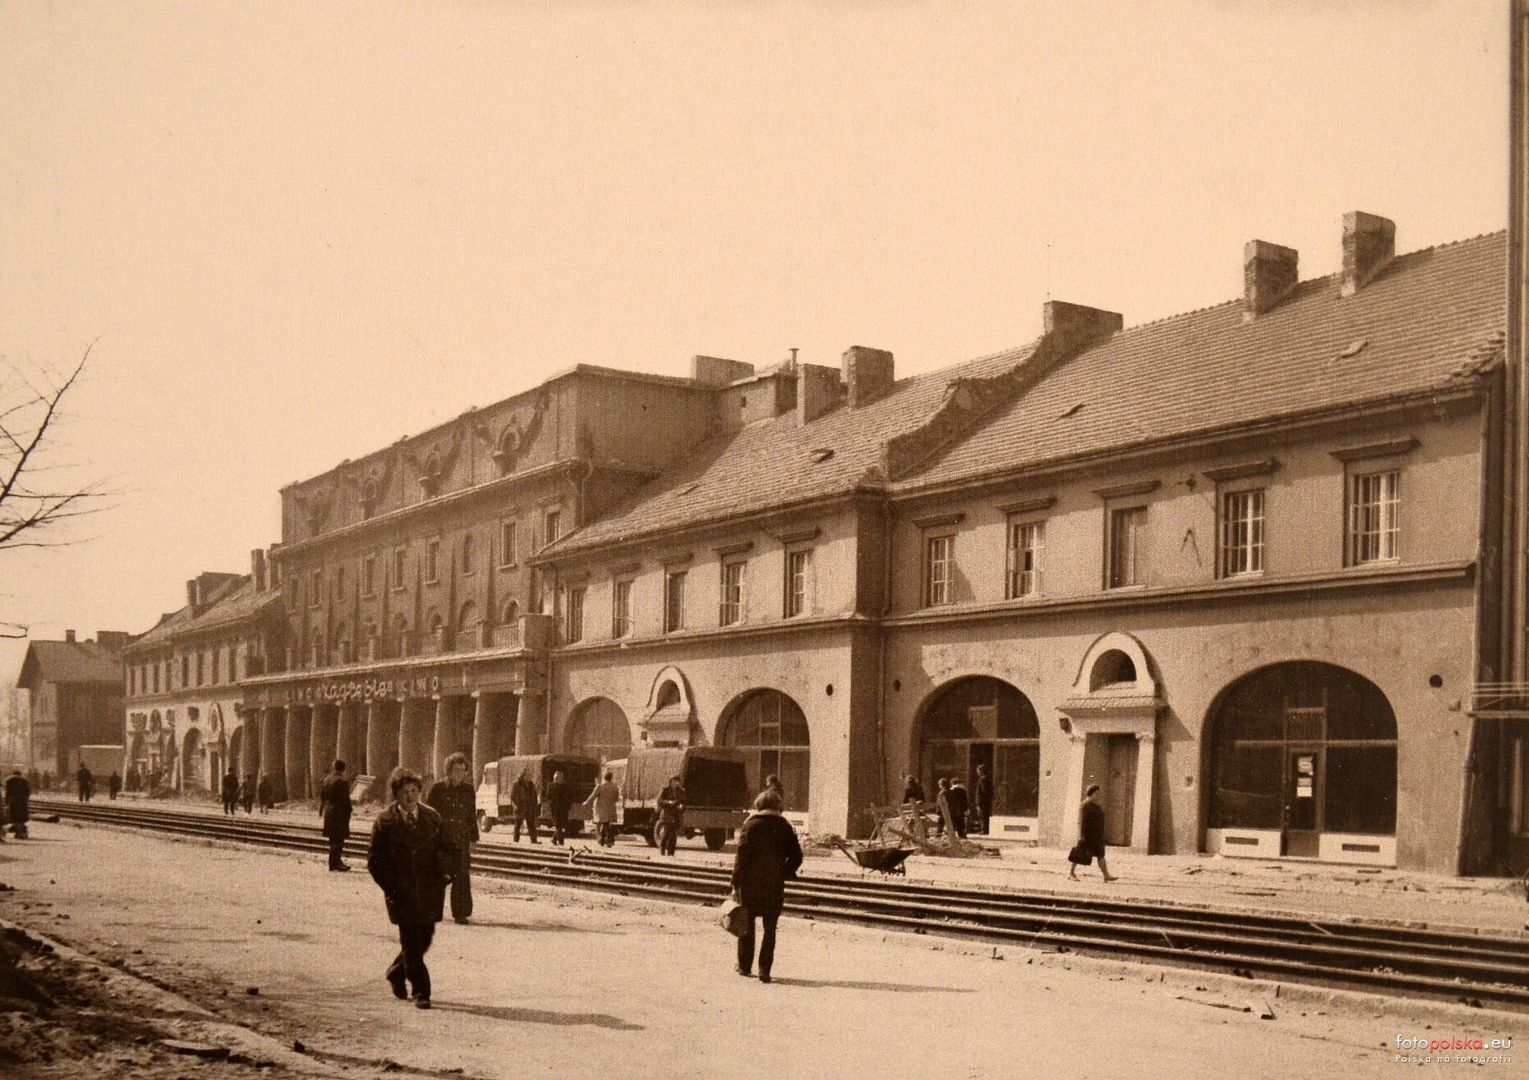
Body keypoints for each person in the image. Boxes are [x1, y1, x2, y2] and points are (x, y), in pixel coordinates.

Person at [367, 766, 455, 1009]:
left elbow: (448, 848)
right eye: (405, 791)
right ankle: (421, 991)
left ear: (419, 792)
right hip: (401, 891)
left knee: (424, 939)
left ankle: (396, 971)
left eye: (414, 790)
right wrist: (391, 887)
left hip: (429, 889)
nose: (410, 796)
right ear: (396, 794)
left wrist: (445, 872)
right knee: (411, 943)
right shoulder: (385, 822)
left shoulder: (433, 818)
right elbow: (374, 861)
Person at [729, 789, 803, 984]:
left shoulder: (751, 825)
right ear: (778, 807)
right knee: (770, 929)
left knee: (747, 926)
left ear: (759, 806)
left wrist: (735, 882)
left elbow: (741, 857)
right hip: (774, 885)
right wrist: (784, 872)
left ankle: (745, 966)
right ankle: (765, 971)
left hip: (750, 884)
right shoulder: (785, 827)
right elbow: (797, 856)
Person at [426, 752, 479, 923]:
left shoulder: (469, 790)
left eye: (463, 770)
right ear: (448, 771)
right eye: (456, 770)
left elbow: (471, 816)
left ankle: (461, 913)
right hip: (442, 840)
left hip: (461, 840)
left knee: (462, 876)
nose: (460, 774)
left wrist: (473, 839)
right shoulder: (438, 789)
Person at [1070, 784, 1117, 882]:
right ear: (1090, 794)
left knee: (1100, 854)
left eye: (1098, 793)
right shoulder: (1085, 805)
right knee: (1079, 854)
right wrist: (1081, 835)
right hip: (1087, 835)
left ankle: (1106, 875)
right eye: (1096, 793)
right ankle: (1071, 873)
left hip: (1096, 835)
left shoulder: (1096, 805)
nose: (1097, 795)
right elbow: (1081, 821)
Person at [319, 760, 353, 871]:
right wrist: (350, 810)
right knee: (339, 839)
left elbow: (322, 797)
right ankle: (335, 864)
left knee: (333, 839)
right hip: (339, 812)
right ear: (343, 769)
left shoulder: (327, 779)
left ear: (334, 768)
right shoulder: (343, 781)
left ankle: (335, 862)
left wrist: (321, 809)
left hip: (328, 811)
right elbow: (345, 799)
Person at [585, 770, 620, 847]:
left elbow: (593, 796)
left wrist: (586, 802)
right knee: (606, 824)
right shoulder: (615, 787)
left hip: (600, 809)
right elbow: (617, 799)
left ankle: (602, 839)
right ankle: (604, 841)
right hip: (611, 809)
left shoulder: (600, 786)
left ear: (604, 777)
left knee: (598, 826)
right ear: (611, 778)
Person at [655, 775, 686, 856]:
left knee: (673, 836)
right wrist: (669, 802)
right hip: (666, 815)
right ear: (670, 781)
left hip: (676, 815)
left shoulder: (681, 791)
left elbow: (684, 802)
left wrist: (681, 806)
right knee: (666, 833)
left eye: (677, 781)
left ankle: (671, 854)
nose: (675, 783)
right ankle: (662, 851)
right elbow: (659, 800)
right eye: (673, 781)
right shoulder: (665, 790)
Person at [509, 770, 539, 844]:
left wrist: (535, 805)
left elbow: (534, 795)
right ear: (523, 776)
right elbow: (512, 797)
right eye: (527, 775)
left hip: (529, 807)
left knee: (531, 824)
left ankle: (534, 840)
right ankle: (516, 840)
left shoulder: (531, 784)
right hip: (520, 806)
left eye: (530, 775)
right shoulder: (517, 784)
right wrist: (515, 806)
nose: (529, 777)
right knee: (518, 823)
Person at [546, 769, 572, 846]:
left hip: (564, 809)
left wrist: (568, 806)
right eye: (557, 777)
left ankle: (554, 839)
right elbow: (548, 796)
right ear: (555, 778)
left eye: (560, 777)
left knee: (561, 825)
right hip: (555, 808)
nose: (559, 778)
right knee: (558, 825)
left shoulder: (566, 786)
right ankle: (561, 841)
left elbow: (569, 797)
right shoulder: (551, 786)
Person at [5, 769, 31, 838]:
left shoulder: (9, 780)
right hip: (22, 800)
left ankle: (19, 832)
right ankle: (20, 832)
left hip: (13, 800)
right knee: (21, 817)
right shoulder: (25, 780)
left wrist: (6, 802)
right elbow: (28, 791)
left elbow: (7, 792)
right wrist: (26, 799)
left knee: (15, 817)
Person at [974, 764, 994, 835]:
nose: (977, 772)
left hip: (982, 801)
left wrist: (978, 802)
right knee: (984, 815)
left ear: (981, 771)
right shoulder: (987, 778)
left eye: (978, 770)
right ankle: (985, 829)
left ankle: (984, 830)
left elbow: (983, 791)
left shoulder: (982, 779)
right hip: (986, 801)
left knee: (982, 815)